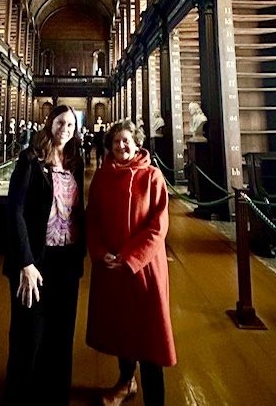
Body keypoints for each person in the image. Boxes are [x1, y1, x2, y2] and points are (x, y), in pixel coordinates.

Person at [86, 119, 176, 406]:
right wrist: (101, 254)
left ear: (137, 144)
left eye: (126, 141)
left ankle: (156, 398)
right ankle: (126, 382)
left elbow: (158, 226)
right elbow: (93, 220)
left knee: (150, 335)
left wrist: (130, 258)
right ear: (109, 147)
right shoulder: (102, 177)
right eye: (116, 142)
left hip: (144, 268)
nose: (121, 146)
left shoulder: (152, 176)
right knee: (121, 329)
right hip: (112, 267)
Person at [3, 105, 86, 406]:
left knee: (61, 335)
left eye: (71, 124)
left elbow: (79, 210)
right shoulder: (30, 160)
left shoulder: (76, 161)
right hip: (35, 261)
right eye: (61, 122)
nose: (65, 128)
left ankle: (54, 397)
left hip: (66, 260)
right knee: (29, 335)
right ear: (50, 124)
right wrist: (25, 261)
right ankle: (20, 397)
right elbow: (15, 211)